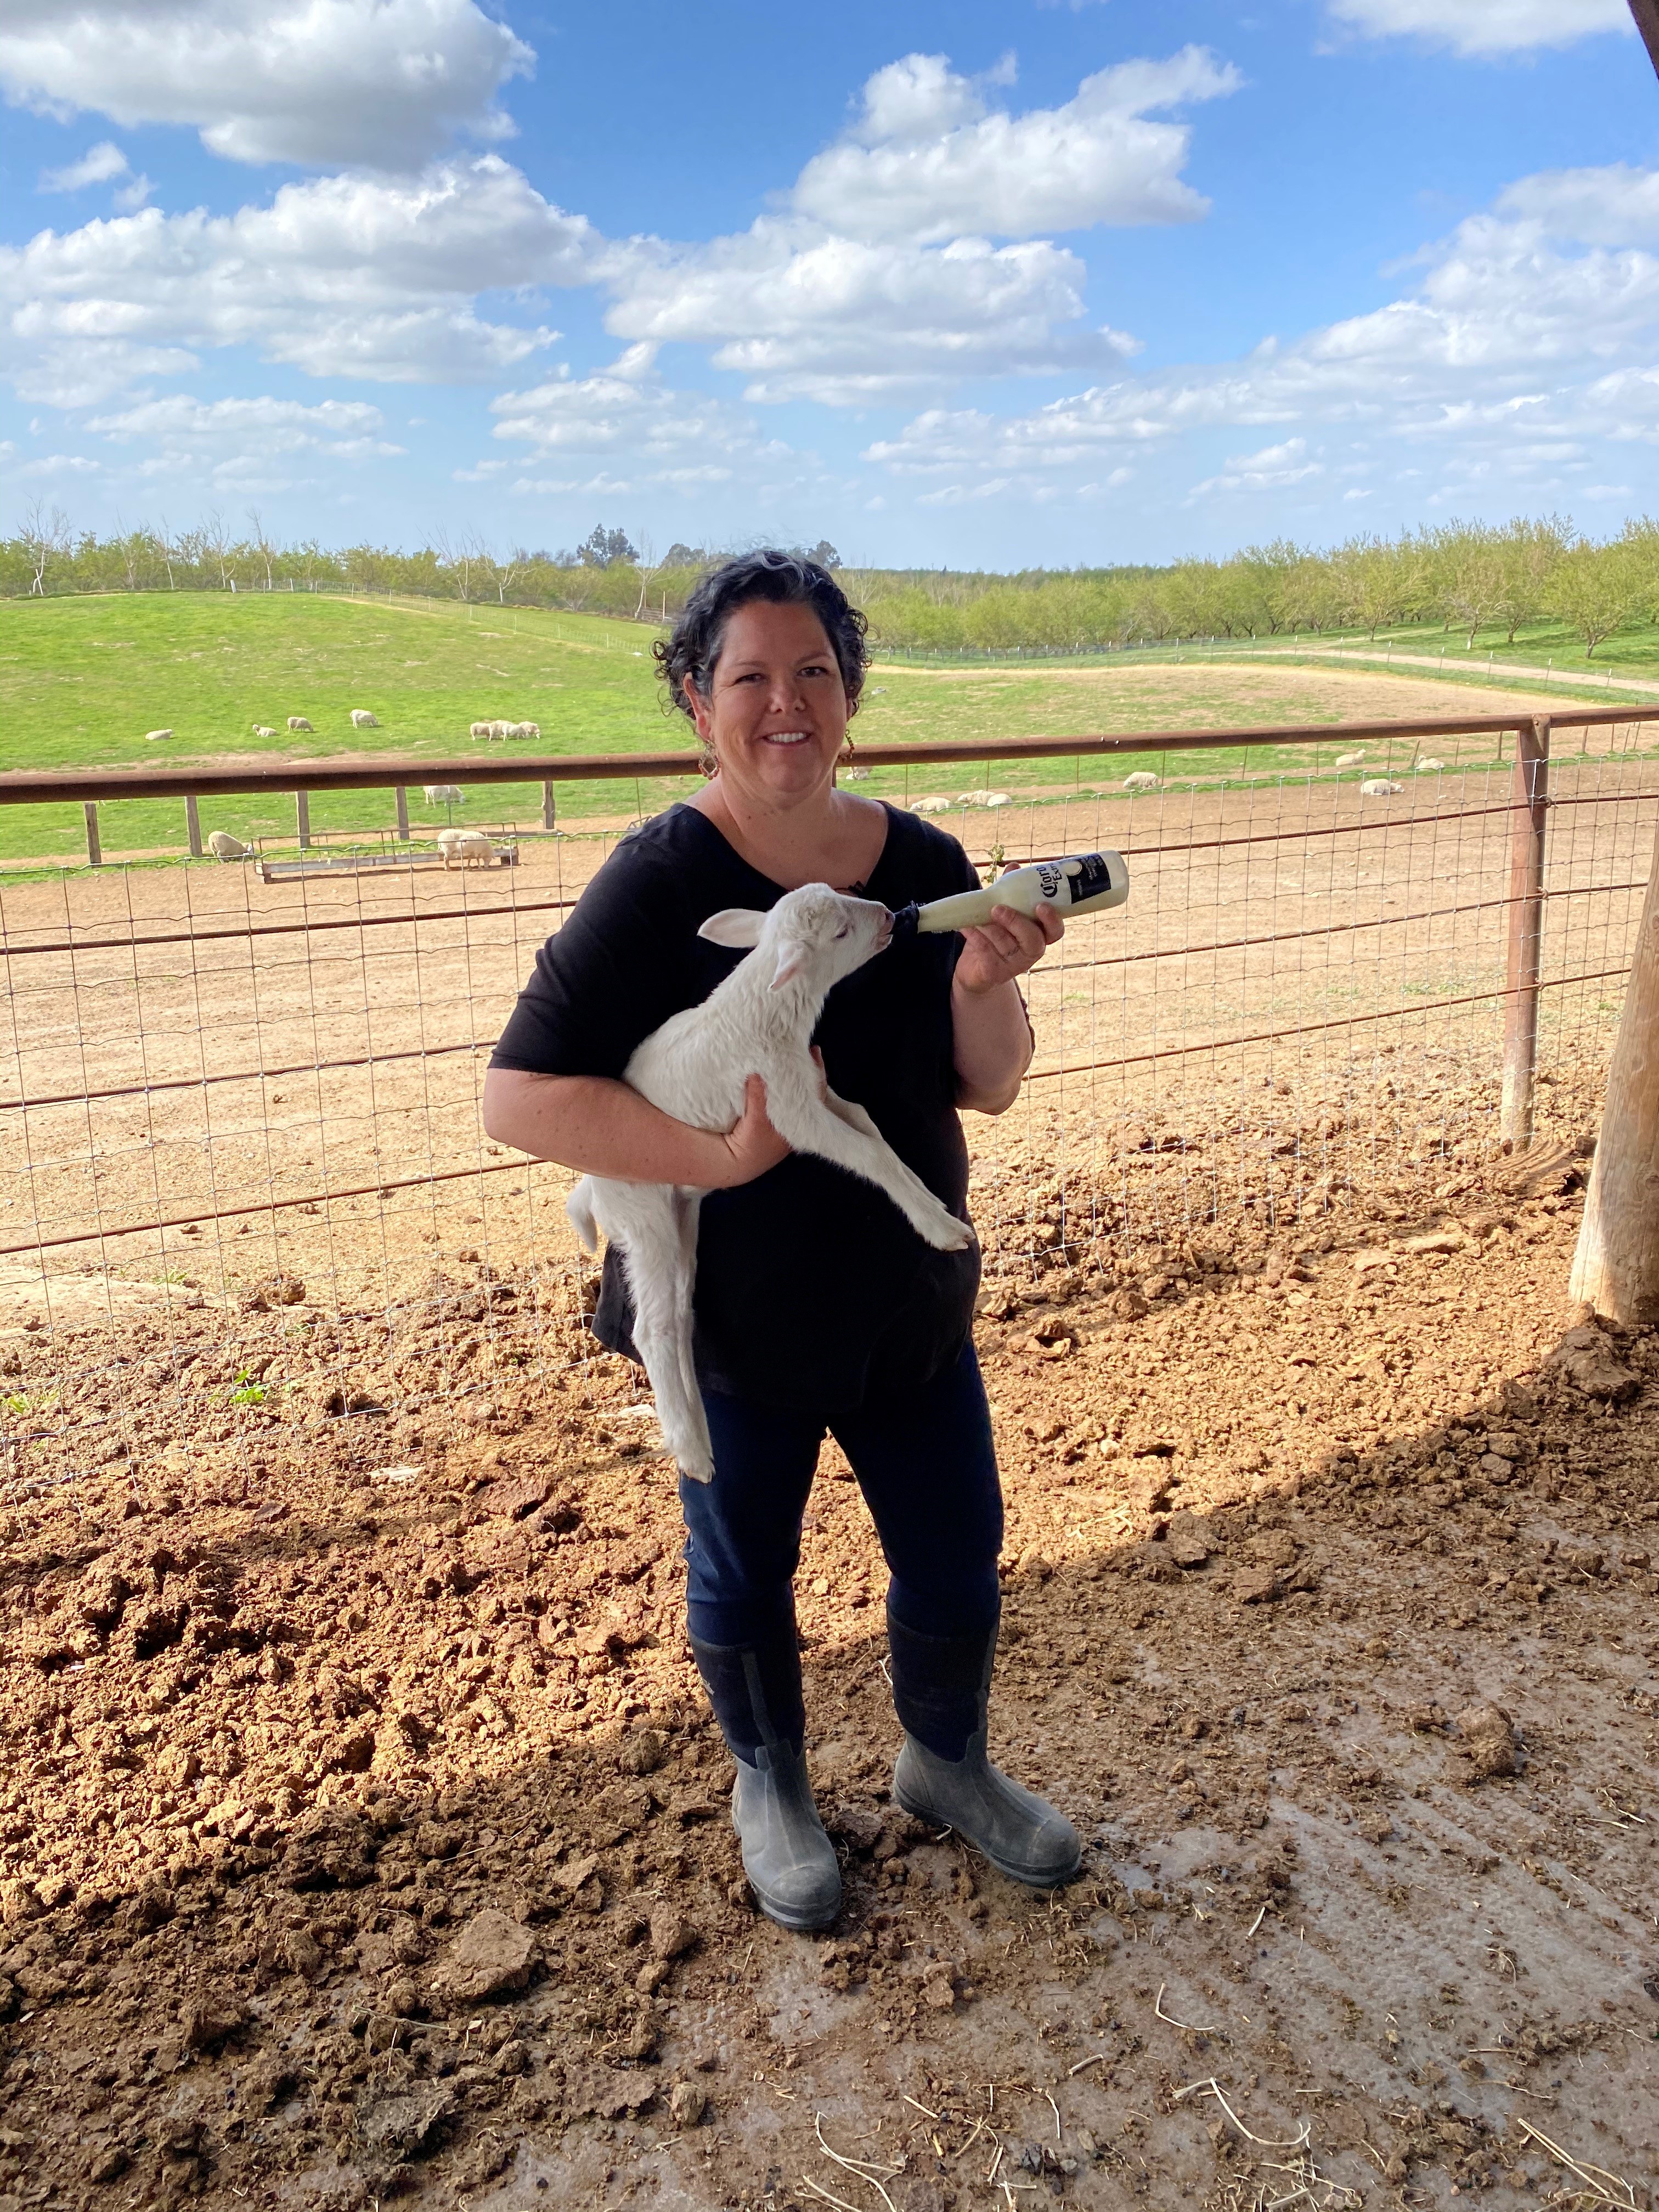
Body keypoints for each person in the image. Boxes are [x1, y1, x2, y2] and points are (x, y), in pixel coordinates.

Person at [482, 550, 1080, 1931]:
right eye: (749, 675)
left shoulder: (923, 866)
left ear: (852, 696)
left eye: (815, 671)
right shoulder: (657, 881)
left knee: (956, 1546)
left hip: (907, 1305)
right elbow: (517, 1097)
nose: (786, 702)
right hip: (737, 1325)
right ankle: (775, 1786)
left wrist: (985, 980)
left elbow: (987, 1082)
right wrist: (711, 1159)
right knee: (746, 1561)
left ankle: (947, 1762)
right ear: (699, 703)